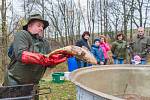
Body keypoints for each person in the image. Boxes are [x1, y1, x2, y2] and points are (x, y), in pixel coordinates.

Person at [3, 14, 71, 99]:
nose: (41, 28)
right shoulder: (22, 34)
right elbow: (21, 54)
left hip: (33, 85)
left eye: (42, 27)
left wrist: (62, 56)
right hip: (15, 83)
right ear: (29, 26)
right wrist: (43, 59)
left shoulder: (45, 43)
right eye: (38, 25)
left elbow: (50, 62)